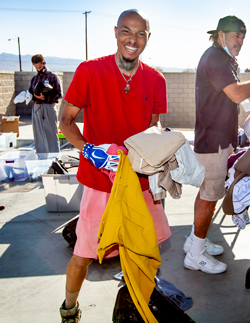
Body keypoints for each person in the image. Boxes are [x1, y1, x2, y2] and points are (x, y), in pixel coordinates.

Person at [58, 9, 171, 322]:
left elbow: (154, 128)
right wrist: (89, 150)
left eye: (140, 34)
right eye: (126, 31)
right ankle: (69, 308)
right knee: (83, 254)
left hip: (139, 181)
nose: (132, 40)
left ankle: (133, 307)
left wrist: (162, 150)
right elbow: (65, 121)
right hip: (99, 181)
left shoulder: (156, 79)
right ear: (115, 32)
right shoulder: (89, 71)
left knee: (146, 251)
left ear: (148, 38)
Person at [183, 15, 250, 274]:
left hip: (217, 139)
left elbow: (237, 90)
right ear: (220, 35)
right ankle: (195, 255)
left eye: (242, 36)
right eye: (235, 35)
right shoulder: (216, 58)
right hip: (214, 143)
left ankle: (195, 241)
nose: (240, 40)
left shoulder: (222, 58)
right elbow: (237, 93)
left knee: (206, 194)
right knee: (209, 198)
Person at [29, 54, 62, 155]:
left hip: (48, 107)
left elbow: (59, 94)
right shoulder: (34, 79)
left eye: (40, 67)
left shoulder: (52, 77)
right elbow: (30, 92)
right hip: (36, 107)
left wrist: (46, 98)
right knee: (38, 134)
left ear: (44, 63)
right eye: (36, 68)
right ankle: (41, 158)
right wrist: (32, 96)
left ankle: (54, 159)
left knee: (51, 134)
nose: (38, 69)